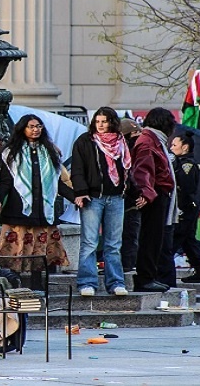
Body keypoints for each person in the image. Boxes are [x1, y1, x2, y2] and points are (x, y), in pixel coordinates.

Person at [0, 114, 73, 269]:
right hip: (19, 209)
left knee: (40, 253)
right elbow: (6, 182)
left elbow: (56, 182)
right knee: (16, 251)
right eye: (31, 126)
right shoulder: (11, 153)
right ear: (22, 129)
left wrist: (75, 197)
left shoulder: (50, 151)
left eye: (39, 126)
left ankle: (39, 286)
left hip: (43, 210)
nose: (36, 130)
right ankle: (15, 285)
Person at [71, 107, 131, 297]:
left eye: (104, 121)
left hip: (116, 197)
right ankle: (87, 282)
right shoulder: (85, 141)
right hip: (93, 198)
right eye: (98, 121)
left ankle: (116, 282)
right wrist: (81, 192)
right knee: (89, 242)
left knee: (114, 244)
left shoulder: (122, 142)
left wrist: (132, 190)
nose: (101, 125)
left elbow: (129, 170)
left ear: (112, 122)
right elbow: (77, 169)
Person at [131, 107, 177, 293]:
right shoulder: (148, 141)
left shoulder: (153, 140)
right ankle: (146, 278)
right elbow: (142, 171)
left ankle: (149, 276)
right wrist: (147, 194)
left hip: (157, 194)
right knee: (151, 238)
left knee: (155, 239)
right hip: (155, 195)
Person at [171, 131, 200, 283]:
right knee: (188, 240)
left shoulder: (186, 165)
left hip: (185, 208)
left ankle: (163, 272)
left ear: (185, 147)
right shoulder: (179, 162)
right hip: (187, 207)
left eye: (174, 145)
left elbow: (185, 188)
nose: (171, 148)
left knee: (174, 240)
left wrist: (180, 208)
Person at [120, 118, 142, 272]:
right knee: (130, 236)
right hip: (132, 201)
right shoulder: (138, 148)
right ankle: (127, 265)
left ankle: (125, 265)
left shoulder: (117, 149)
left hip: (126, 200)